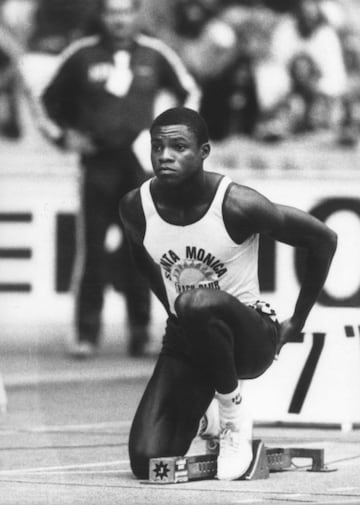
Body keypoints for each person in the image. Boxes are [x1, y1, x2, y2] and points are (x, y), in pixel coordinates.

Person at [119, 107, 337, 480]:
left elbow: (323, 239)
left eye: (178, 147)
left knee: (197, 301)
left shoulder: (236, 204)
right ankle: (211, 421)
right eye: (157, 146)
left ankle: (235, 418)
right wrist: (171, 308)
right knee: (147, 461)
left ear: (204, 151)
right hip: (188, 338)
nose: (165, 155)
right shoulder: (136, 208)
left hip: (249, 338)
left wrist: (297, 321)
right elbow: (141, 260)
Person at [40, 0, 200, 358]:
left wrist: (172, 139)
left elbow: (191, 91)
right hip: (97, 163)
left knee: (141, 250)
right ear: (102, 16)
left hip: (139, 166)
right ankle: (86, 334)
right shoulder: (81, 55)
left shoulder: (156, 54)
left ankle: (140, 332)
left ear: (137, 14)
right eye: (113, 12)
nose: (119, 20)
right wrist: (64, 137)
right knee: (92, 250)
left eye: (126, 12)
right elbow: (45, 100)